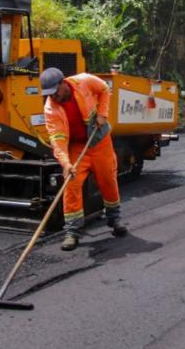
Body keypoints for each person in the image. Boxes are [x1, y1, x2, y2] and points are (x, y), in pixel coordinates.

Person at [41, 67, 128, 251]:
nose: (54, 97)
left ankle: (114, 219)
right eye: (50, 94)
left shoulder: (84, 81)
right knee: (71, 185)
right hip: (77, 147)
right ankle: (72, 232)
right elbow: (58, 140)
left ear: (63, 83)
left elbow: (104, 89)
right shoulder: (50, 108)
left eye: (56, 92)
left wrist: (103, 114)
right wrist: (66, 164)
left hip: (99, 142)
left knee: (108, 180)